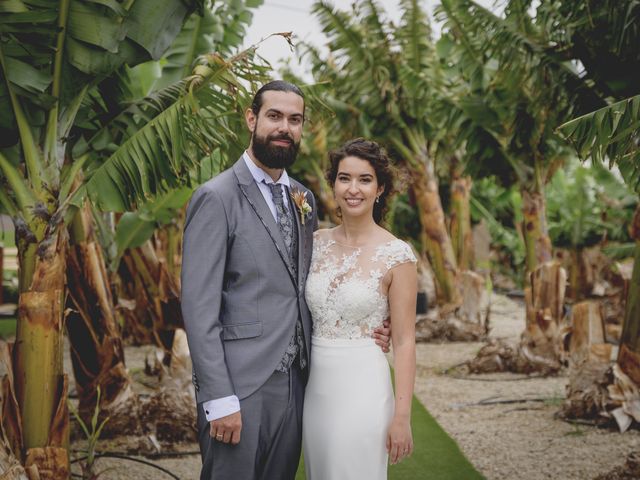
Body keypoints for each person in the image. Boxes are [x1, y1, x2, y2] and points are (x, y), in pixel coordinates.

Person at [180, 81, 391, 480]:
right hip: (240, 385)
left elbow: (311, 283)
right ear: (251, 118)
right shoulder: (217, 197)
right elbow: (197, 306)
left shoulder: (303, 199)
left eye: (295, 120)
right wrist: (219, 396)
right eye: (274, 116)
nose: (285, 127)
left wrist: (373, 320)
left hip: (298, 385)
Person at [303, 138, 418, 479]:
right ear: (334, 184)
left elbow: (405, 340)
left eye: (364, 179)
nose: (353, 189)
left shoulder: (397, 255)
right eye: (344, 178)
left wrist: (402, 416)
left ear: (380, 188)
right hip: (315, 390)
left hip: (364, 385)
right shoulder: (314, 244)